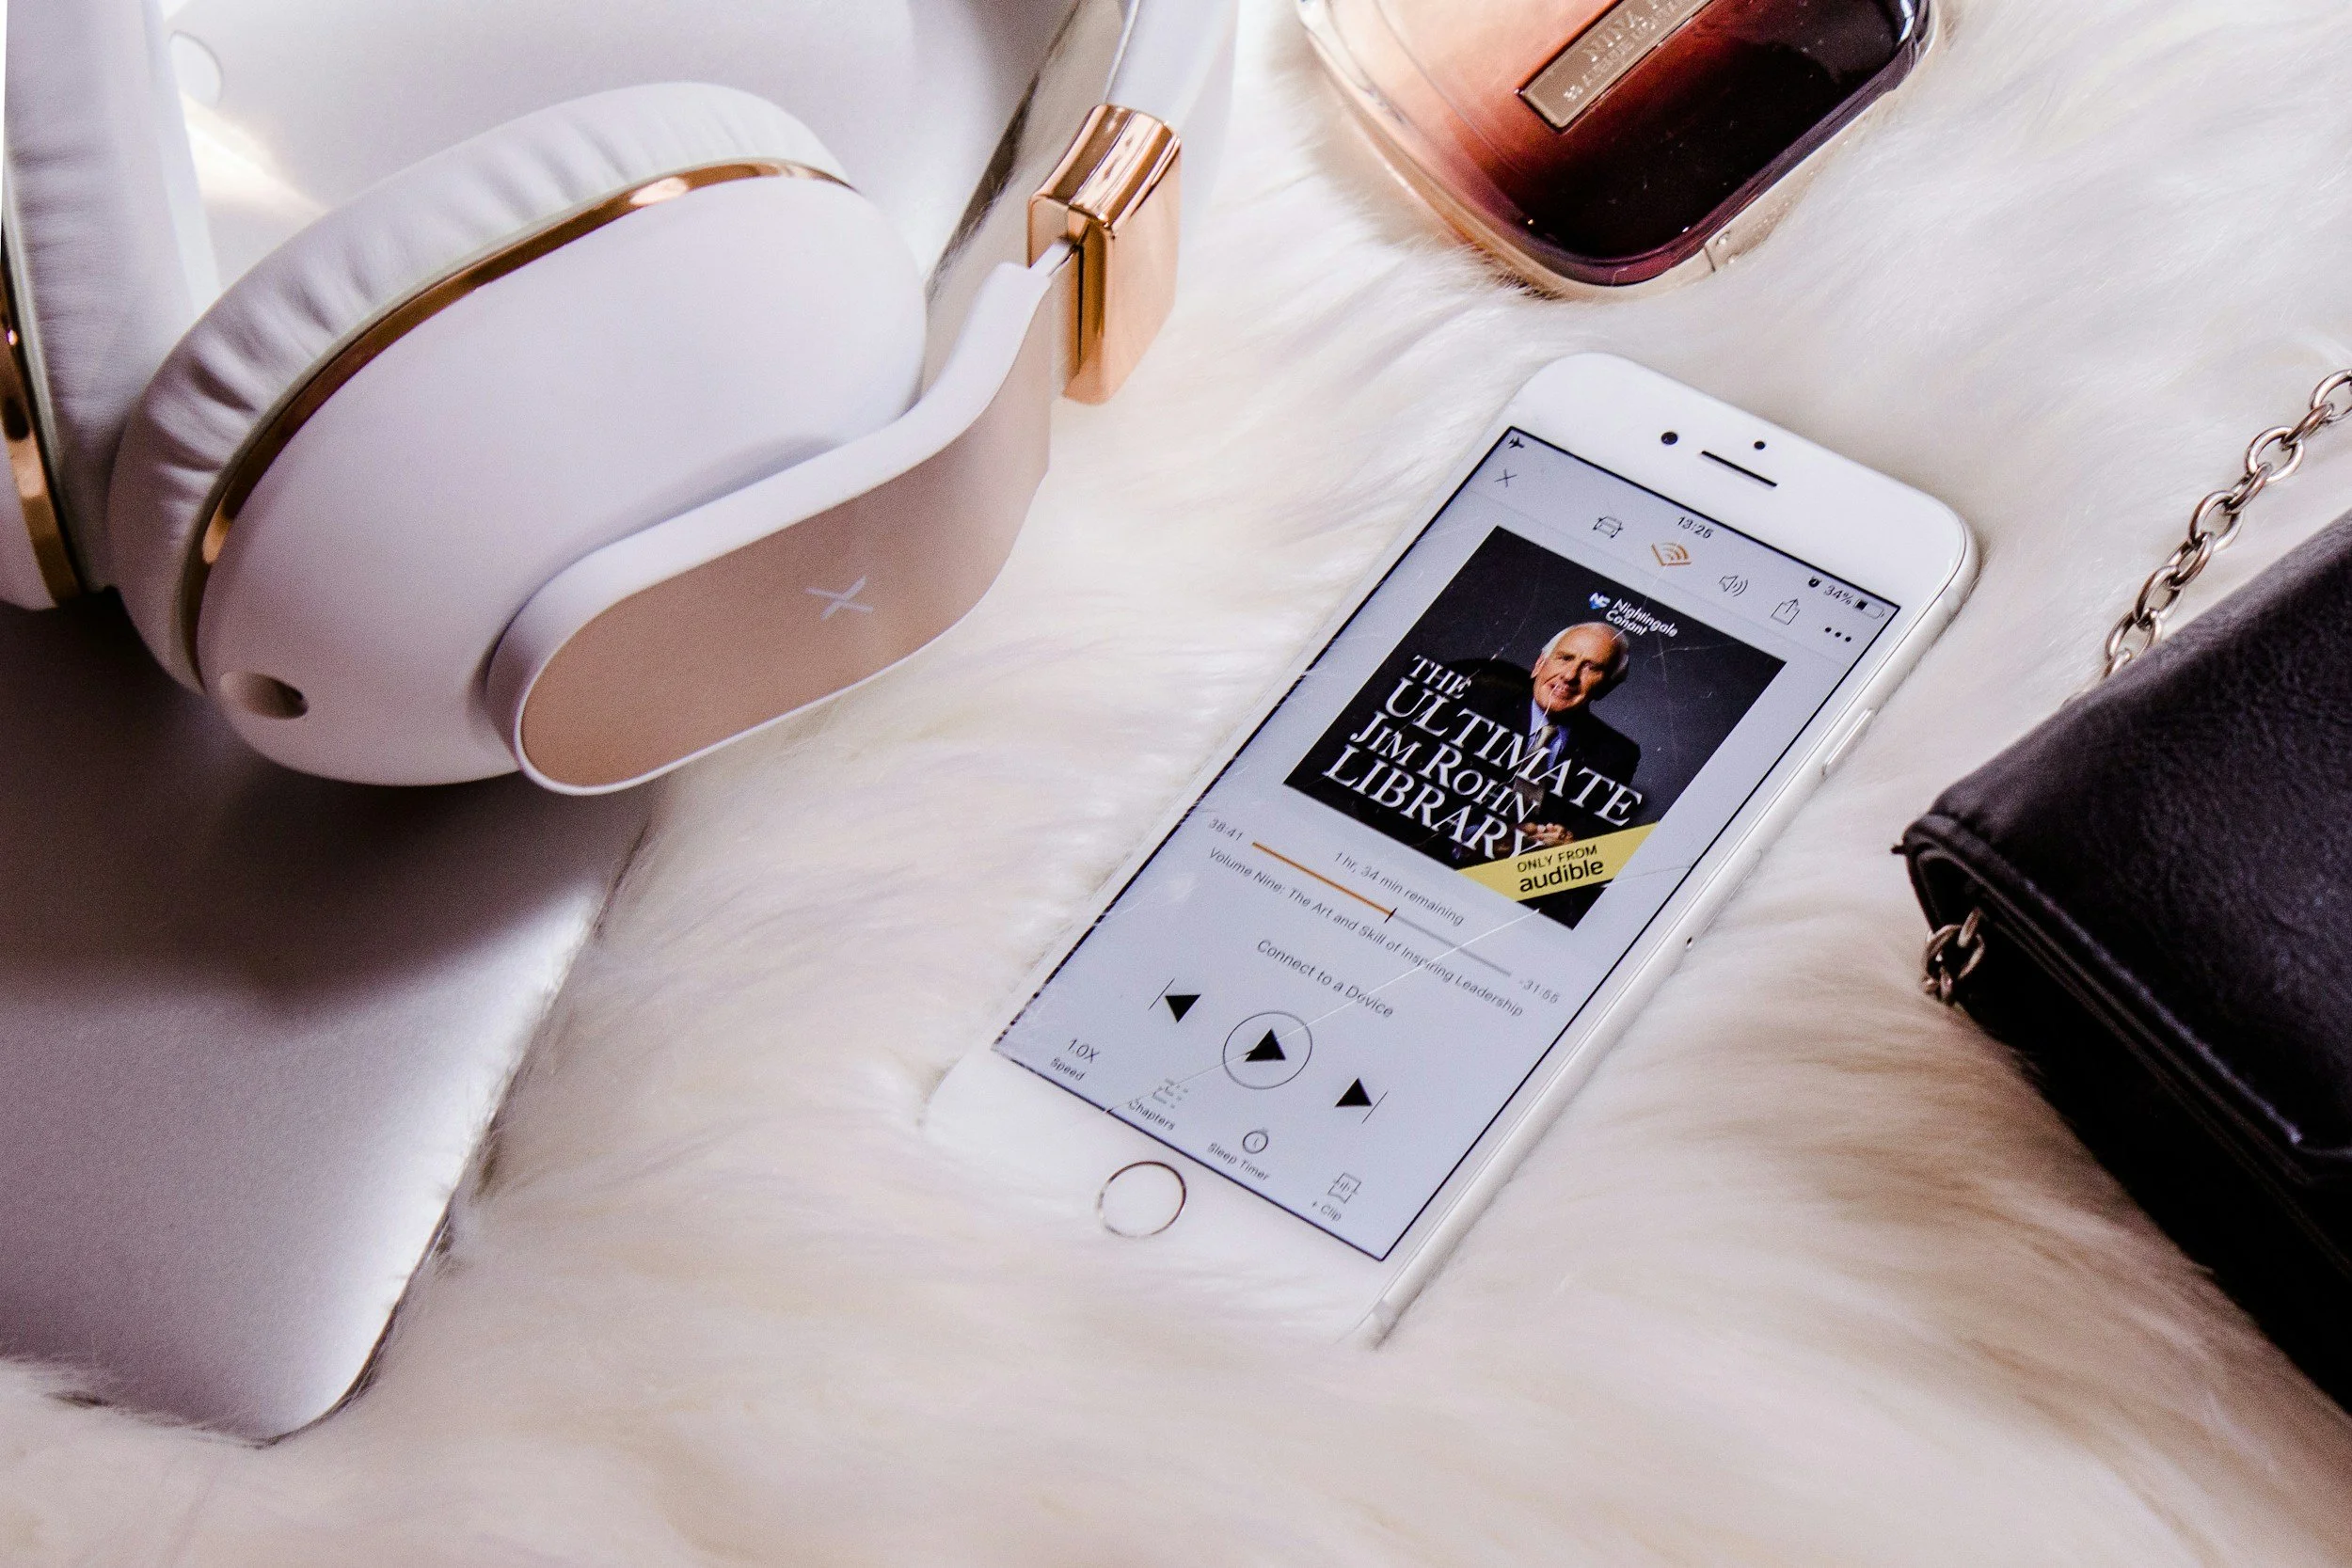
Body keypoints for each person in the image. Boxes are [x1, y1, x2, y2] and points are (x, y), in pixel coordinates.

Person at [1452, 622, 1644, 851]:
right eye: (1565, 658)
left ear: (1606, 687)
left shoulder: (1616, 755)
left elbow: (1588, 847)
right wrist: (1475, 839)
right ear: (1539, 664)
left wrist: (1567, 850)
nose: (1570, 676)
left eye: (1591, 667)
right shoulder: (1472, 701)